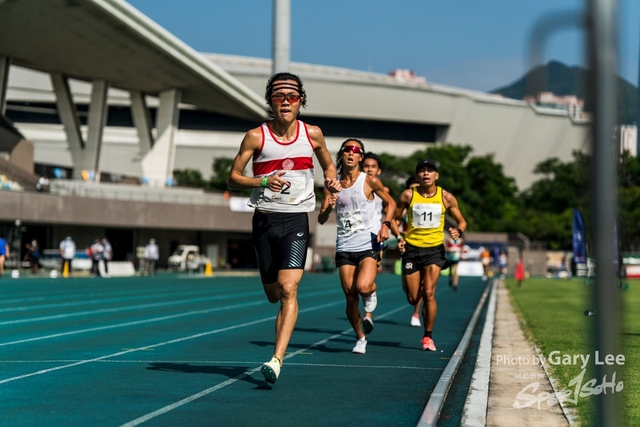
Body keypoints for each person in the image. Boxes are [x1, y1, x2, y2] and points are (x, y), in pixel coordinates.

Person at [227, 72, 341, 384]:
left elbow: (329, 165)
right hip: (264, 220)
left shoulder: (313, 134)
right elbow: (232, 178)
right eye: (279, 96)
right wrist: (262, 180)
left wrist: (330, 181)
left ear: (301, 101)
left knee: (289, 288)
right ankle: (276, 338)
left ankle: (277, 359)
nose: (286, 101)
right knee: (273, 293)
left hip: (296, 220)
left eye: (292, 96)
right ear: (270, 102)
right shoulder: (256, 136)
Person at [319, 139, 397, 354]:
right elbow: (322, 218)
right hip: (344, 246)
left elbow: (391, 203)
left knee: (362, 287)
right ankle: (360, 337)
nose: (351, 153)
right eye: (347, 150)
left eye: (356, 151)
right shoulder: (331, 184)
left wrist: (386, 225)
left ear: (361, 157)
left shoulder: (369, 181)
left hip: (367, 243)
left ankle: (371, 291)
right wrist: (328, 207)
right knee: (350, 295)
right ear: (342, 154)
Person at [394, 159, 467, 351]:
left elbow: (462, 221)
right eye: (422, 171)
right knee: (413, 298)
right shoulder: (408, 195)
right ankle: (414, 283)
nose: (426, 174)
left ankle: (427, 337)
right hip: (412, 249)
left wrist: (458, 231)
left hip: (434, 250)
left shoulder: (446, 197)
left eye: (430, 171)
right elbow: (394, 219)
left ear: (436, 175)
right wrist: (398, 236)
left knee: (428, 293)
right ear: (417, 176)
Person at [360, 151, 390, 333]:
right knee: (356, 283)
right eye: (366, 166)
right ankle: (371, 292)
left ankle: (368, 315)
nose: (369, 169)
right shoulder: (355, 185)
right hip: (353, 238)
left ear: (378, 170)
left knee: (366, 281)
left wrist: (388, 227)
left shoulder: (383, 190)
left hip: (374, 239)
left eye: (373, 167)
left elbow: (390, 211)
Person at [399, 176, 423, 327]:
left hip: (424, 248)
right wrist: (400, 236)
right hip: (407, 248)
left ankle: (416, 313)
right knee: (408, 289)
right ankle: (413, 298)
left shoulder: (426, 205)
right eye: (411, 188)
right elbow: (395, 222)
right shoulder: (403, 207)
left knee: (422, 285)